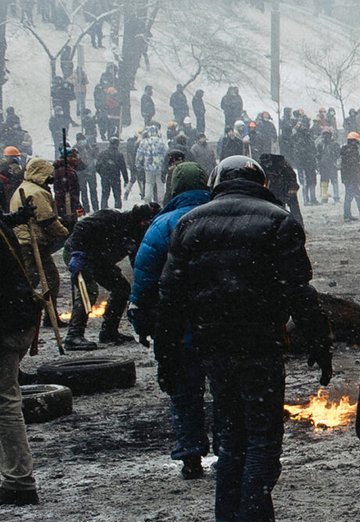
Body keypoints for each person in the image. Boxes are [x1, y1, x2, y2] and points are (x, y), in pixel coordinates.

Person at [155, 155, 331, 522]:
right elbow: (299, 292)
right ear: (260, 181)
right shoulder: (278, 221)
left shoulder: (189, 224)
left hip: (213, 349)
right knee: (262, 442)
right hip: (260, 347)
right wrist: (318, 344)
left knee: (230, 441)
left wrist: (168, 357)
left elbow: (170, 297)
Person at [131, 163, 213, 479]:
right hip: (222, 322)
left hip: (176, 325)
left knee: (183, 392)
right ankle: (229, 448)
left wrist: (142, 322)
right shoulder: (221, 215)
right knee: (226, 391)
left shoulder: (162, 225)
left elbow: (145, 279)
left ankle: (190, 455)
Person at [63, 202, 156, 346]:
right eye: (146, 221)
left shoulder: (139, 233)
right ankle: (74, 335)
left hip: (99, 259)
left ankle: (109, 332)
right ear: (138, 218)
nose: (148, 224)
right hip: (79, 253)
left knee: (121, 288)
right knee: (88, 290)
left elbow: (136, 259)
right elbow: (82, 226)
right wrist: (77, 253)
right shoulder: (112, 218)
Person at [0, 192, 43, 505]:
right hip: (18, 317)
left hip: (7, 323)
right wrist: (18, 218)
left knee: (5, 403)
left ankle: (19, 481)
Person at [9, 157, 66, 320]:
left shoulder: (26, 187)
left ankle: (29, 313)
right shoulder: (37, 192)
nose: (52, 178)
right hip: (31, 242)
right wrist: (64, 232)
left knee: (30, 280)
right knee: (46, 280)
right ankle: (37, 315)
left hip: (25, 240)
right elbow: (46, 220)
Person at [262, 150, 302, 223]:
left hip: (288, 187)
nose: (267, 165)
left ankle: (299, 226)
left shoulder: (282, 164)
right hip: (275, 190)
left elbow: (292, 177)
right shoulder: (263, 167)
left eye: (268, 163)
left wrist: (291, 190)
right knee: (278, 209)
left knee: (294, 208)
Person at [339, 131, 360, 221]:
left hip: (348, 178)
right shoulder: (351, 151)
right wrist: (356, 177)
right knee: (352, 196)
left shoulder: (347, 150)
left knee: (353, 196)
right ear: (354, 141)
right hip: (352, 178)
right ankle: (352, 215)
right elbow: (353, 166)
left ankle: (351, 215)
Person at [135, 125, 167, 203]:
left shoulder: (144, 142)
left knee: (149, 183)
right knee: (160, 184)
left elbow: (139, 155)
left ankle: (147, 200)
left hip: (148, 167)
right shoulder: (162, 141)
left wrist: (138, 165)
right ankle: (160, 201)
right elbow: (166, 153)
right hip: (160, 167)